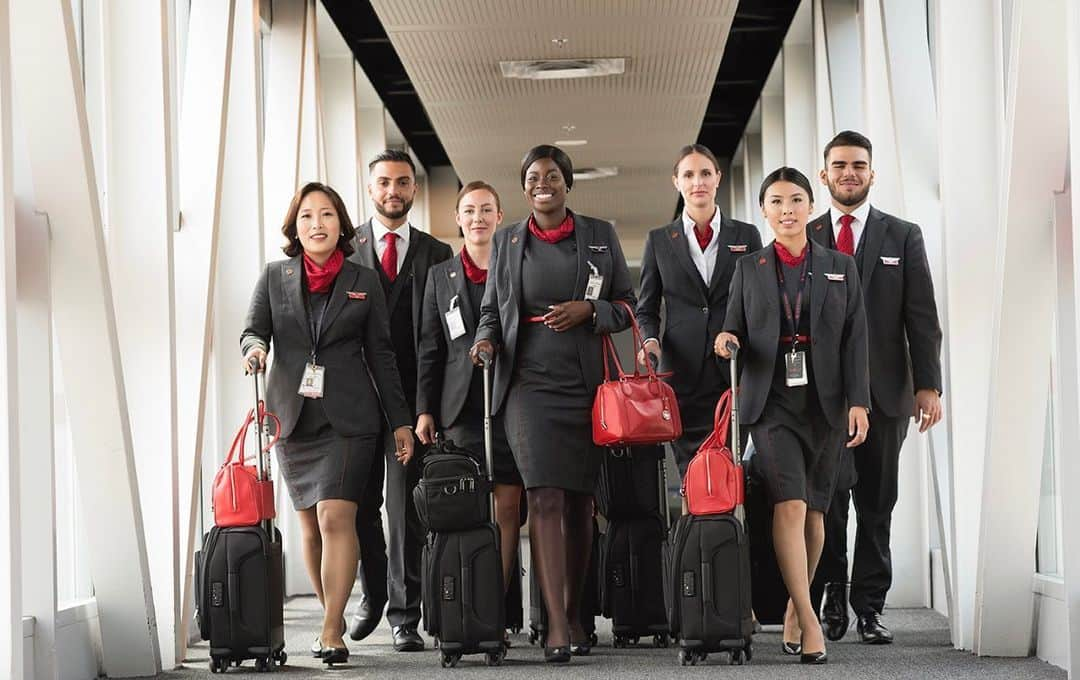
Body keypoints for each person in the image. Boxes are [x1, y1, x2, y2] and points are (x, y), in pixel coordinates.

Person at [470, 145, 635, 663]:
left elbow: (628, 308)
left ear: (568, 183)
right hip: (528, 387)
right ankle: (557, 624)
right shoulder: (507, 241)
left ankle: (576, 609)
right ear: (525, 189)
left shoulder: (600, 236)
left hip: (586, 387)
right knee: (542, 497)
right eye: (534, 177)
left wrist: (591, 308)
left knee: (582, 503)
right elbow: (491, 311)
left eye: (553, 175)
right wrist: (485, 341)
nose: (544, 183)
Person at [240, 182, 415, 665]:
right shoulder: (275, 277)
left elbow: (382, 353)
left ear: (342, 225)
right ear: (295, 227)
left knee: (335, 516)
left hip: (351, 419)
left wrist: (399, 421)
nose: (317, 224)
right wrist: (253, 349)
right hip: (292, 421)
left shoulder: (363, 279)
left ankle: (332, 630)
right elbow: (254, 330)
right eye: (306, 217)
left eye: (326, 216)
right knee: (309, 529)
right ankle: (330, 615)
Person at [715, 166, 870, 665]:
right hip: (772, 402)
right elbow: (731, 326)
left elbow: (856, 340)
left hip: (825, 404)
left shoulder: (839, 266)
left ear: (811, 205)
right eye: (777, 201)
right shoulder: (749, 268)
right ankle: (809, 620)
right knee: (790, 505)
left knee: (817, 517)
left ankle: (790, 606)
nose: (788, 209)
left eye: (797, 200)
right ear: (763, 210)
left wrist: (859, 401)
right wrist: (725, 340)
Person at [807, 131, 943, 644]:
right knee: (830, 503)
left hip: (887, 395)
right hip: (826, 399)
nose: (849, 173)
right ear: (824, 175)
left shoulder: (902, 235)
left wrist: (928, 385)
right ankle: (833, 600)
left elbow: (922, 317)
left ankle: (869, 607)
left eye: (858, 165)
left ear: (872, 173)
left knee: (877, 503)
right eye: (839, 165)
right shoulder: (809, 233)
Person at [346, 150, 453, 651]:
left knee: (405, 509)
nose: (394, 190)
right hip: (352, 401)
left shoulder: (436, 255)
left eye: (403, 182)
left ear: (414, 190)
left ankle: (405, 616)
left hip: (411, 403)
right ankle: (374, 594)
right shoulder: (346, 251)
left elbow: (444, 338)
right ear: (370, 189)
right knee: (361, 506)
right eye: (384, 182)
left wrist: (431, 407)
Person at [415, 181, 524, 621]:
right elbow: (429, 347)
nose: (477, 218)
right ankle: (465, 598)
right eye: (469, 211)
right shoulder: (440, 276)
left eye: (486, 209)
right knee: (467, 500)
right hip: (459, 406)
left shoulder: (516, 267)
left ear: (500, 217)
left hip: (513, 398)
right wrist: (424, 408)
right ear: (457, 220)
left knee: (509, 505)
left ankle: (493, 605)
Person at [637, 143, 762, 483]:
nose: (698, 182)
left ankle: (732, 536)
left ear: (718, 178)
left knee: (728, 472)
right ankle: (697, 536)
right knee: (691, 473)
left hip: (734, 373)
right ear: (676, 182)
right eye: (689, 175)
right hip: (683, 375)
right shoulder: (660, 240)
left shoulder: (746, 236)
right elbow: (647, 306)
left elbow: (759, 300)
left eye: (705, 173)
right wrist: (649, 341)